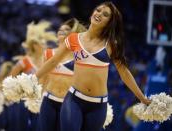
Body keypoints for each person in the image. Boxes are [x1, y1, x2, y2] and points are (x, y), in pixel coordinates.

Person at [35, 2, 150, 131]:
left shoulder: (112, 44)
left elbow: (124, 73)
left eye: (105, 14)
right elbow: (52, 62)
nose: (99, 14)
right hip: (74, 100)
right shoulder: (73, 39)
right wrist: (32, 79)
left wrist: (142, 98)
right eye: (98, 10)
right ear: (92, 13)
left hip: (98, 106)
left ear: (109, 22)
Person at [37, 18, 86, 131]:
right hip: (48, 101)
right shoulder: (48, 53)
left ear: (72, 34)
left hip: (68, 104)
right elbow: (43, 79)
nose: (61, 31)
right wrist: (37, 97)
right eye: (60, 29)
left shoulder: (78, 56)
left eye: (66, 30)